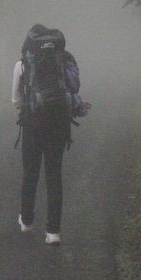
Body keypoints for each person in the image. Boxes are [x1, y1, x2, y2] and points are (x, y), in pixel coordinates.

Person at [11, 24, 88, 246]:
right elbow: (74, 86)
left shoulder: (22, 64)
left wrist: (28, 104)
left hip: (32, 124)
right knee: (54, 174)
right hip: (59, 123)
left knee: (30, 172)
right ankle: (53, 232)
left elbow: (16, 99)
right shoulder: (63, 59)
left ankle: (27, 220)